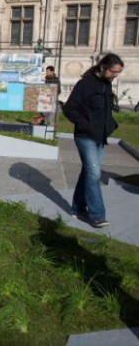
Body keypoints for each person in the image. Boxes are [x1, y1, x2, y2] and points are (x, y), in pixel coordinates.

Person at [63, 53, 124, 228]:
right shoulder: (85, 84)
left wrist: (111, 125)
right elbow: (69, 109)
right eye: (113, 72)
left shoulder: (106, 84)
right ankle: (97, 215)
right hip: (85, 137)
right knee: (94, 174)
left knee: (88, 173)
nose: (115, 75)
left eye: (118, 73)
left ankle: (78, 208)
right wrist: (86, 125)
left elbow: (104, 111)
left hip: (101, 138)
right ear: (103, 67)